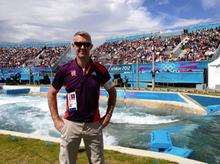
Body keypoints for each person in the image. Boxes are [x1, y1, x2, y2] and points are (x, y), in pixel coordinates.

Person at [48, 31, 117, 164]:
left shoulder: (100, 70)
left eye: (86, 44)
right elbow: (51, 93)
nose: (82, 47)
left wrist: (107, 117)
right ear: (73, 46)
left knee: (97, 162)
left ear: (91, 47)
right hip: (70, 124)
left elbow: (113, 92)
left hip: (93, 125)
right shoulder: (64, 70)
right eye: (79, 44)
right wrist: (56, 120)